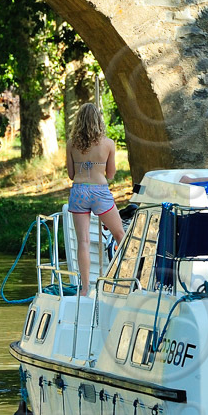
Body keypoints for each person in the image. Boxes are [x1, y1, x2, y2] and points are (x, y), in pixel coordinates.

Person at [65, 102, 125, 296]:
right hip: (100, 191)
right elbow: (110, 174)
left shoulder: (71, 144)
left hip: (79, 192)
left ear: (79, 121)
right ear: (98, 121)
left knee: (82, 241)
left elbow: (71, 174)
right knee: (120, 236)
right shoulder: (108, 144)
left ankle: (84, 289)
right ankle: (122, 278)